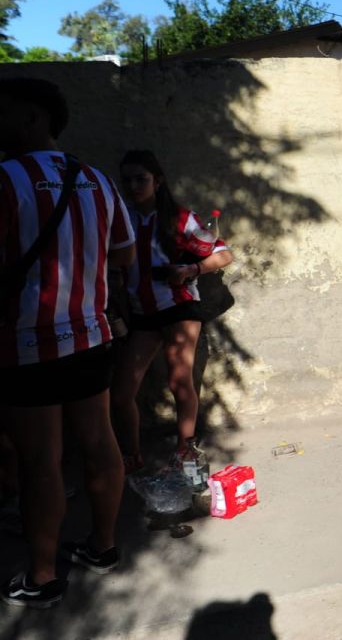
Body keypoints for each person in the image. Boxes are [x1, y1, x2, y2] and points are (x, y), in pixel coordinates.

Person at [0, 78, 134, 608]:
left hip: (25, 344)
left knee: (41, 463)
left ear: (33, 117)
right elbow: (123, 254)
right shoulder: (97, 180)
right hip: (91, 335)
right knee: (100, 444)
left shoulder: (5, 180)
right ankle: (102, 549)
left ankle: (42, 577)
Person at [110, 150, 232, 474]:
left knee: (180, 381)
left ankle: (185, 449)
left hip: (178, 307)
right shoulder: (121, 218)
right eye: (127, 180)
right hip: (142, 315)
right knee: (122, 393)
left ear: (158, 181)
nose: (134, 186)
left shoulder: (179, 218)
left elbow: (223, 254)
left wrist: (191, 268)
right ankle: (131, 456)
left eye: (141, 179)